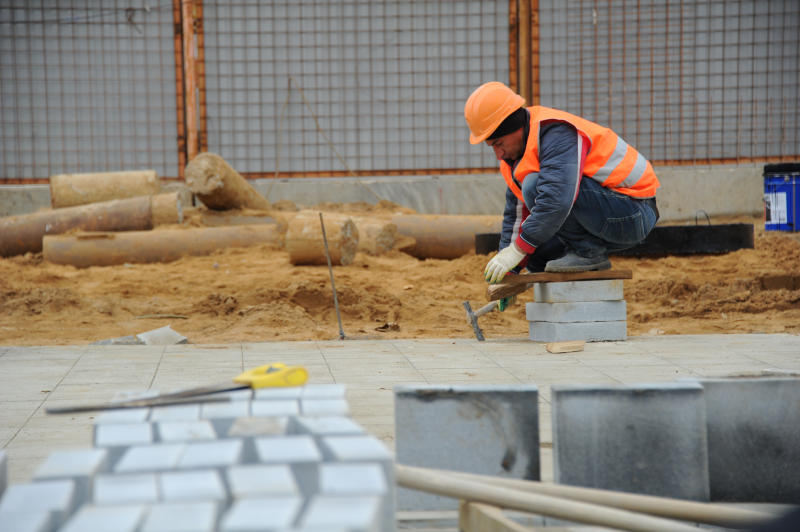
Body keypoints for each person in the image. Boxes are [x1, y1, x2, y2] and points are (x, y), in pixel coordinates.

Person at [464, 81, 660, 308]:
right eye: (492, 147)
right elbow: (516, 217)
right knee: (537, 253)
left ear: (515, 127)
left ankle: (588, 253)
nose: (498, 154)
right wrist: (511, 270)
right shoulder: (513, 161)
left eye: (499, 143)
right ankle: (574, 271)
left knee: (536, 188)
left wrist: (518, 249)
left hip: (633, 213)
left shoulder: (555, 132)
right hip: (604, 214)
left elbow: (557, 199)